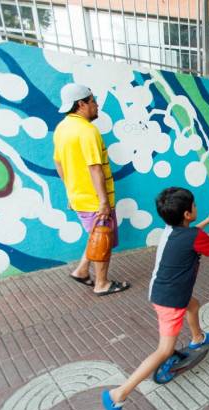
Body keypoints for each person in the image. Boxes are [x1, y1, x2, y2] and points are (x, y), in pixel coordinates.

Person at [101, 187, 209, 410]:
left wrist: (208, 221)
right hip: (170, 300)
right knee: (164, 350)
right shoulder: (191, 236)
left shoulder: (171, 230)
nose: (197, 209)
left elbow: (190, 235)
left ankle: (198, 338)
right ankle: (118, 394)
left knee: (194, 305)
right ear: (188, 214)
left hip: (163, 290)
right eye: (195, 207)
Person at [54, 83, 130, 296]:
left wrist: (71, 192)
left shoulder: (62, 128)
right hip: (95, 200)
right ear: (81, 104)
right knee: (102, 241)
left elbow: (59, 164)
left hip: (79, 197)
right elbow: (95, 168)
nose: (97, 105)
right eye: (93, 101)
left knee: (95, 236)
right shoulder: (87, 131)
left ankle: (81, 270)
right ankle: (102, 283)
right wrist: (103, 202)